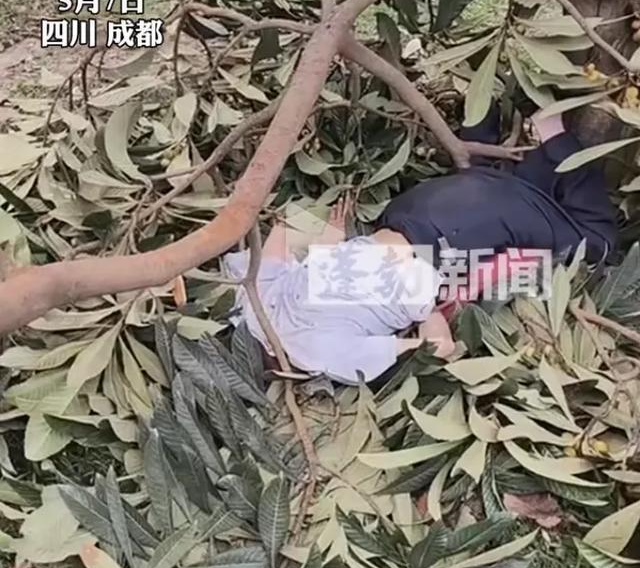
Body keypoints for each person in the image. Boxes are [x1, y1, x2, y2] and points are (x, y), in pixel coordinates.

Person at [223, 105, 618, 385]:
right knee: (513, 199)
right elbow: (284, 228)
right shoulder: (252, 306)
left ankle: (553, 135)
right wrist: (330, 246)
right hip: (406, 211)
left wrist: (439, 327)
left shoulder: (320, 357)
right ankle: (483, 122)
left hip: (451, 241)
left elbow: (433, 346)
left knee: (599, 248)